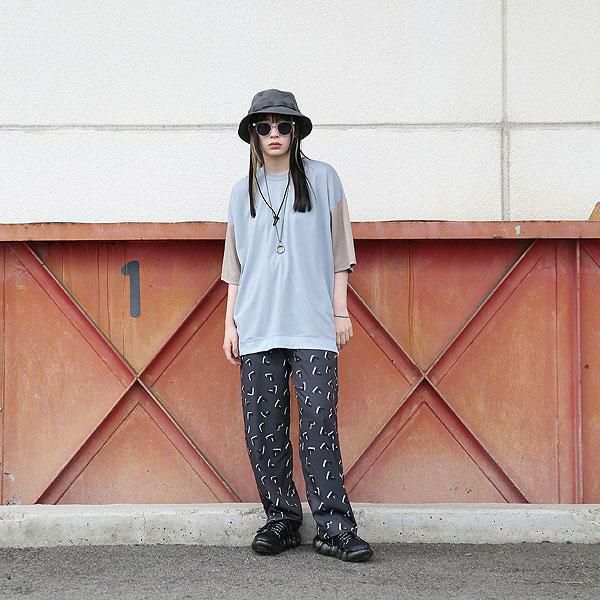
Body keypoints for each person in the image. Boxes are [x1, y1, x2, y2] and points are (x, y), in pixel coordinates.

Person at [221, 89, 373, 562]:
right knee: (263, 428)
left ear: (296, 132)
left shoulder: (323, 179)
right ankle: (282, 520)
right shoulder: (241, 192)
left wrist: (340, 310)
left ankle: (334, 528)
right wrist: (229, 325)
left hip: (312, 325)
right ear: (252, 133)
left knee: (319, 422)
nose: (274, 134)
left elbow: (341, 251)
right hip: (257, 325)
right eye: (264, 126)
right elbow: (234, 267)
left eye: (283, 125)